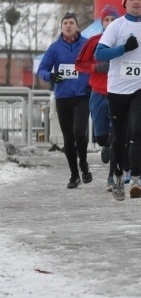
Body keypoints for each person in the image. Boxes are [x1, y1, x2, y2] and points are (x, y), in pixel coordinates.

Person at [95, 0, 141, 200]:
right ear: (125, 3)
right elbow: (100, 53)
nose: (136, 2)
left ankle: (135, 176)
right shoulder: (116, 26)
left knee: (138, 132)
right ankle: (117, 176)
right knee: (120, 136)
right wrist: (123, 48)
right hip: (117, 88)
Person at [38, 12, 92, 189]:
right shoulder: (55, 48)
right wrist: (51, 76)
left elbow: (95, 64)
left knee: (79, 133)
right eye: (65, 23)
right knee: (68, 138)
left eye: (71, 23)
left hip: (82, 95)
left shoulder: (86, 44)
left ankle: (83, 163)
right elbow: (42, 70)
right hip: (63, 98)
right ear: (61, 27)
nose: (68, 26)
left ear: (77, 26)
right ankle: (74, 174)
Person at [75, 5, 118, 191]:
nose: (109, 23)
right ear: (102, 23)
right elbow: (79, 65)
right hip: (98, 93)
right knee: (101, 138)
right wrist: (95, 68)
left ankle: (112, 176)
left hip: (119, 94)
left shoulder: (124, 42)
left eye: (112, 20)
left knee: (118, 136)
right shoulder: (94, 41)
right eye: (106, 20)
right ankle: (105, 144)